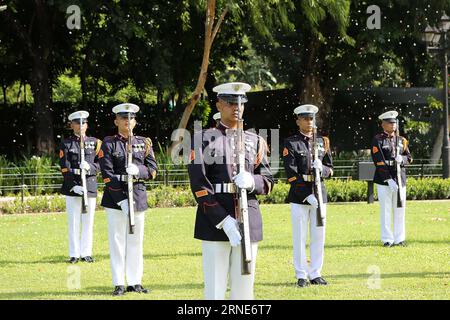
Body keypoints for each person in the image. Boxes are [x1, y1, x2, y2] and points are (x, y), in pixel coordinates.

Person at [188, 82, 274, 300]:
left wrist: (252, 181)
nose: (236, 107)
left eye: (240, 102)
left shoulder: (256, 141)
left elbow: (269, 181)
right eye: (230, 102)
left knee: (244, 289)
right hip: (214, 219)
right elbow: (199, 183)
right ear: (219, 104)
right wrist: (223, 220)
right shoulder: (202, 138)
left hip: (248, 217)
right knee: (215, 289)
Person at [98, 103, 158, 296]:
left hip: (138, 196)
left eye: (131, 118)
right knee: (117, 241)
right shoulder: (108, 143)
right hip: (116, 199)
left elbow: (153, 170)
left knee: (135, 240)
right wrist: (121, 200)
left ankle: (135, 281)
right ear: (116, 121)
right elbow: (106, 175)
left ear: (135, 121)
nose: (127, 121)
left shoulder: (144, 142)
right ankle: (119, 283)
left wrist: (138, 170)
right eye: (123, 118)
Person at [282, 104, 333, 287]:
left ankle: (316, 273)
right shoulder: (291, 142)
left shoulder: (322, 141)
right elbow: (291, 174)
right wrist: (305, 195)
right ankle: (301, 274)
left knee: (319, 235)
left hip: (320, 193)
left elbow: (330, 168)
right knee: (300, 236)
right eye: (305, 118)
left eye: (311, 118)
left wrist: (323, 169)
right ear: (298, 121)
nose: (309, 122)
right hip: (300, 195)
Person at [59, 110, 101, 264]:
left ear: (87, 125)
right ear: (72, 125)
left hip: (89, 185)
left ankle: (86, 252)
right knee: (74, 221)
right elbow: (64, 167)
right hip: (73, 187)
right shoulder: (66, 143)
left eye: (83, 123)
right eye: (77, 123)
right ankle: (74, 253)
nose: (81, 125)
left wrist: (89, 167)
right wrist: (73, 186)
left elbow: (101, 165)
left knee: (88, 221)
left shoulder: (95, 142)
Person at [371, 110, 412, 247]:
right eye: (389, 123)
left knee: (400, 209)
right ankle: (387, 239)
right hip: (384, 179)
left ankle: (399, 238)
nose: (393, 125)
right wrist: (388, 179)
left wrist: (403, 159)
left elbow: (409, 158)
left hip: (400, 177)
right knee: (386, 209)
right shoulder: (378, 140)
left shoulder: (401, 140)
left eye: (394, 122)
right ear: (383, 124)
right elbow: (379, 161)